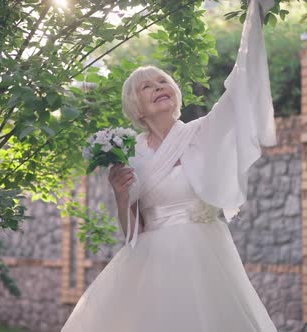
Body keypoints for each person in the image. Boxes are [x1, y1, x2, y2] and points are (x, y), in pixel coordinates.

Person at [61, 0, 278, 331]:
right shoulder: (129, 151)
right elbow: (133, 232)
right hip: (154, 265)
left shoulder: (202, 131)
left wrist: (255, 16)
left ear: (174, 94)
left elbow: (238, 87)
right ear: (138, 109)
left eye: (162, 81)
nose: (158, 87)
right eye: (146, 87)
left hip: (207, 255)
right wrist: (120, 195)